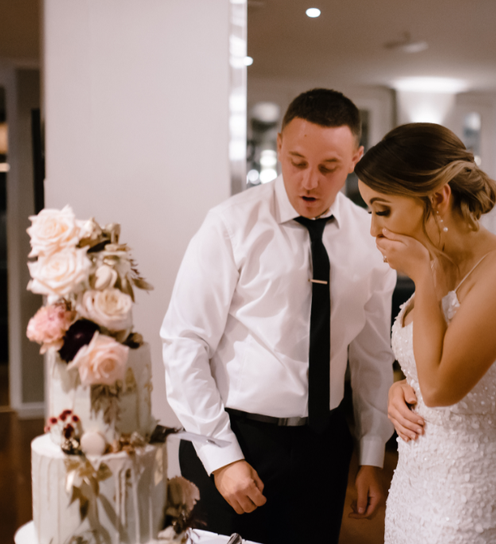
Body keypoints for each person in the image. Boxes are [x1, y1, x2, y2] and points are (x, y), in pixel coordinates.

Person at [160, 88, 396, 544]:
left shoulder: (370, 242)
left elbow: (372, 356)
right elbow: (185, 343)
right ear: (279, 148)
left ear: (355, 160)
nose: (309, 181)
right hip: (234, 434)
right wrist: (223, 457)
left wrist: (370, 455)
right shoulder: (230, 224)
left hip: (324, 448)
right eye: (296, 161)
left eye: (329, 167)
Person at [355, 123, 496, 544]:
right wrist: (400, 387)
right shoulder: (437, 263)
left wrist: (424, 274)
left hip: (475, 502)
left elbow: (440, 388)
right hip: (413, 490)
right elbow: (427, 372)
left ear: (437, 197)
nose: (373, 228)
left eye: (382, 209)